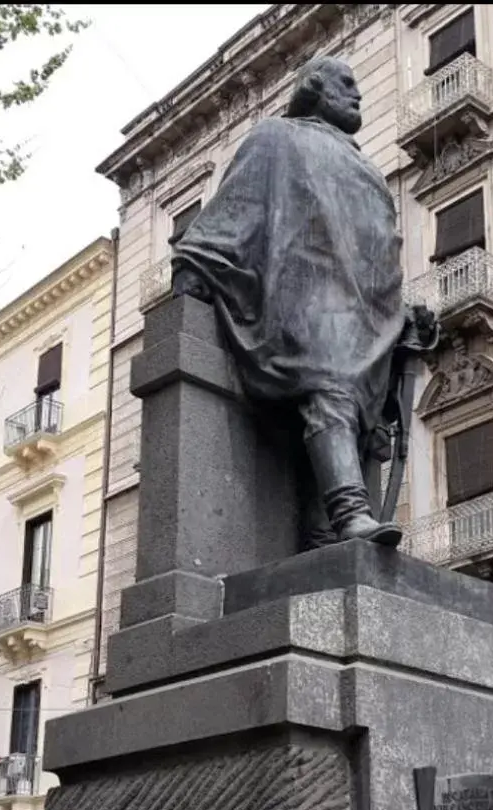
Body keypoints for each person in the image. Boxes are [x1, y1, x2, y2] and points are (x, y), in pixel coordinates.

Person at [171, 56, 439, 550]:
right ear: (314, 88)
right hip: (298, 301)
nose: (359, 93)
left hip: (367, 314)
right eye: (347, 83)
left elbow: (379, 260)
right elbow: (237, 207)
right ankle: (348, 511)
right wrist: (193, 267)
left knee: (361, 410)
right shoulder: (276, 137)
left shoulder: (368, 170)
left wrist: (403, 316)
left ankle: (322, 531)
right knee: (331, 381)